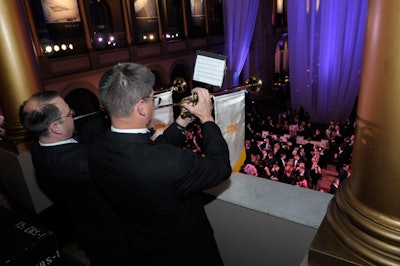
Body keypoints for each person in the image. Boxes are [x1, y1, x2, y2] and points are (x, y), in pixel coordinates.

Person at [88, 62, 232, 265]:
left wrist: (181, 122)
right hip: (187, 252)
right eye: (151, 98)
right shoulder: (174, 162)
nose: (154, 104)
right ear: (140, 107)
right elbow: (220, 167)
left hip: (145, 249)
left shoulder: (96, 149)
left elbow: (149, 151)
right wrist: (207, 118)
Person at [18, 91, 133, 266]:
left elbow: (79, 139)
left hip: (84, 224)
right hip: (109, 231)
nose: (74, 114)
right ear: (55, 127)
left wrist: (107, 115)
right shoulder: (83, 162)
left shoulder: (40, 147)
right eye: (70, 114)